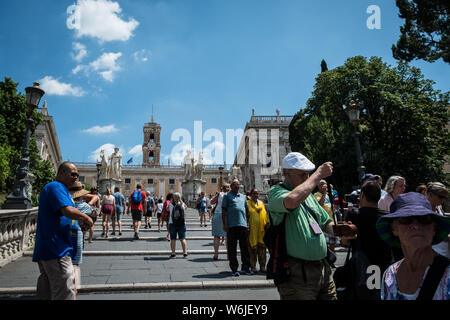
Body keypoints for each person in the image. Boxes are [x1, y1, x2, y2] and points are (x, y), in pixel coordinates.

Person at [267, 152, 356, 300]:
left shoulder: (308, 196)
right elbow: (292, 201)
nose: (306, 178)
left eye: (308, 174)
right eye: (302, 174)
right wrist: (318, 175)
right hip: (297, 274)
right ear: (286, 173)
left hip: (323, 269)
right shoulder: (276, 192)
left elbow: (325, 222)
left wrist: (340, 229)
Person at [32, 161, 94, 300]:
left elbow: (64, 214)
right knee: (64, 288)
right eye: (73, 174)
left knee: (47, 288)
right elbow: (67, 210)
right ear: (61, 173)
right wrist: (86, 218)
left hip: (54, 246)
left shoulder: (62, 190)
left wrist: (78, 222)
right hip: (55, 247)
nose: (76, 177)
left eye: (78, 175)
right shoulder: (56, 186)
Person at [376, 192, 450, 300]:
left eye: (424, 219)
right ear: (394, 228)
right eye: (406, 219)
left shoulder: (447, 274)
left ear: (434, 228)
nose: (416, 226)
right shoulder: (389, 275)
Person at [345, 181, 394, 299]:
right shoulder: (386, 218)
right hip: (384, 266)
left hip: (361, 266)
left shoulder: (354, 215)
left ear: (362, 196)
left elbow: (345, 242)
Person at [68, 181, 94, 298]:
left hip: (63, 234)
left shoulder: (65, 204)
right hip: (77, 234)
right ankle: (74, 292)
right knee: (75, 265)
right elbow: (94, 214)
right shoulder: (85, 206)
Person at [222, 178, 252, 276]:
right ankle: (234, 269)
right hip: (232, 225)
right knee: (232, 248)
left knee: (245, 248)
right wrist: (225, 224)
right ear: (231, 186)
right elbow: (224, 211)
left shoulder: (243, 197)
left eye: (238, 184)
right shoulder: (227, 196)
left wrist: (247, 223)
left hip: (242, 225)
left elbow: (247, 211)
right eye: (235, 184)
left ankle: (246, 267)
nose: (237, 186)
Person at [246, 188, 269, 273]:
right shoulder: (247, 203)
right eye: (254, 194)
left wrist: (267, 224)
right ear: (250, 195)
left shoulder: (261, 203)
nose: (256, 195)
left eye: (257, 194)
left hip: (262, 230)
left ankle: (263, 266)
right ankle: (253, 266)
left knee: (262, 249)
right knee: (252, 249)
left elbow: (265, 214)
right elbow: (245, 215)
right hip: (252, 230)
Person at [426, 182, 449, 258]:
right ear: (430, 194)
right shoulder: (423, 212)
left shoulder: (439, 208)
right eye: (440, 197)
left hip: (444, 252)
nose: (443, 200)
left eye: (444, 197)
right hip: (432, 254)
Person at [314, 179, 339, 251]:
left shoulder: (329, 195)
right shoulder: (316, 194)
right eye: (321, 184)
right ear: (318, 186)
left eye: (324, 184)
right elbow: (320, 204)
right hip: (323, 222)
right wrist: (325, 193)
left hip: (332, 220)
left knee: (333, 241)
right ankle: (326, 259)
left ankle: (332, 259)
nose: (323, 185)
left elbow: (333, 206)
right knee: (325, 242)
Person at [211, 184, 230, 260]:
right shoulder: (231, 195)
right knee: (228, 236)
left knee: (216, 236)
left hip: (218, 214)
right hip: (227, 215)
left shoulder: (220, 194)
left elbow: (212, 202)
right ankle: (229, 254)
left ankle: (216, 254)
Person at [168, 192, 188, 258]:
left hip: (172, 223)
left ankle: (173, 253)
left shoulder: (170, 205)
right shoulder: (182, 204)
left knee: (173, 239)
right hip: (182, 223)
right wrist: (180, 200)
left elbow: (167, 209)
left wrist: (171, 201)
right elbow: (186, 207)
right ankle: (185, 252)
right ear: (179, 198)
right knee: (182, 238)